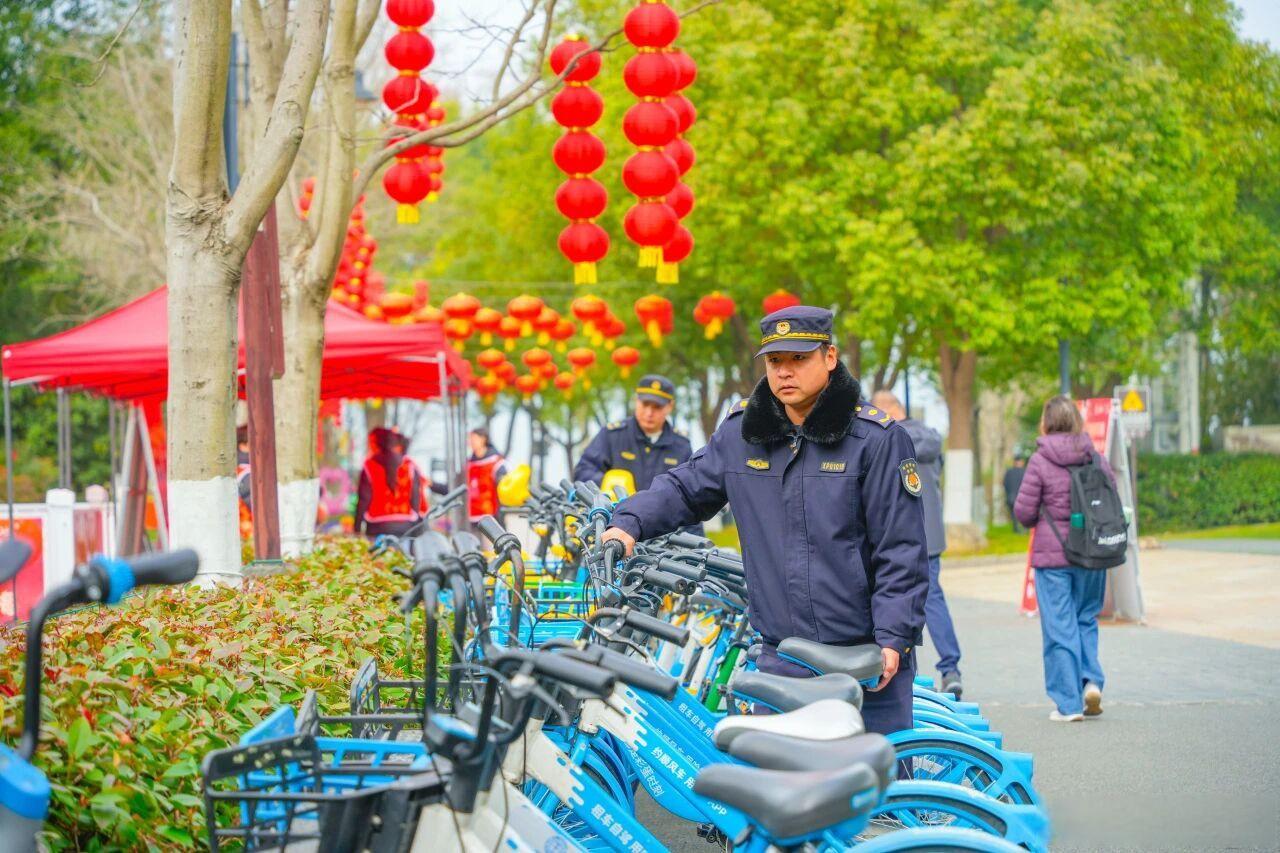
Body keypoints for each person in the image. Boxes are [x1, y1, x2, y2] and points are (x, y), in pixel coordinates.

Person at [602, 306, 929, 736]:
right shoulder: (742, 434)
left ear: (829, 358)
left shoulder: (875, 439)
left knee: (875, 795)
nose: (785, 372)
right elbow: (686, 487)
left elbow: (901, 548)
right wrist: (628, 522)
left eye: (799, 358)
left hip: (863, 657)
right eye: (776, 361)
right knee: (779, 793)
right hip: (783, 655)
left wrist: (893, 637)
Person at [1013, 395, 1116, 722]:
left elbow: (1025, 513)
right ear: (1076, 421)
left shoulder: (1040, 461)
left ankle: (1068, 704)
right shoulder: (1095, 457)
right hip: (1093, 555)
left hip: (1053, 558)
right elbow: (1113, 500)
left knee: (1060, 627)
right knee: (1086, 618)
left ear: (1046, 422)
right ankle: (1091, 682)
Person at [871, 389, 962, 699]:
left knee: (901, 601)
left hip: (900, 534)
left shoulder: (887, 441)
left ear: (887, 410)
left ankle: (914, 676)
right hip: (932, 535)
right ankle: (950, 669)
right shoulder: (931, 439)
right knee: (933, 600)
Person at [573, 374, 694, 494]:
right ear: (636, 401)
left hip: (663, 513)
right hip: (617, 511)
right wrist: (607, 482)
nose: (649, 413)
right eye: (645, 404)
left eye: (657, 407)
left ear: (670, 407)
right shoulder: (612, 435)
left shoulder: (681, 445)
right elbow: (583, 471)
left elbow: (690, 487)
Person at [354, 427, 429, 538]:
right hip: (406, 525)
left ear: (378, 443)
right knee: (404, 554)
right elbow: (415, 497)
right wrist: (418, 524)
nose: (369, 446)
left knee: (379, 554)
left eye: (371, 442)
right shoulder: (409, 465)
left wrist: (357, 527)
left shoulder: (369, 465)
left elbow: (364, 499)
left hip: (377, 525)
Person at [466, 427, 508, 522]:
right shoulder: (468, 465)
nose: (470, 442)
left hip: (492, 517)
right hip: (472, 519)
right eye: (469, 439)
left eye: (473, 438)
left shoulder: (497, 462)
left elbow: (504, 489)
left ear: (483, 439)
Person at [1003, 454, 1027, 533]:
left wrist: (1008, 494)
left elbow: (1005, 484)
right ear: (1021, 462)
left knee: (1014, 514)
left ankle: (1016, 529)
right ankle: (1024, 528)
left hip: (1011, 497)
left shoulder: (1008, 472)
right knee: (1024, 513)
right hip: (1022, 497)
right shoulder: (1025, 472)